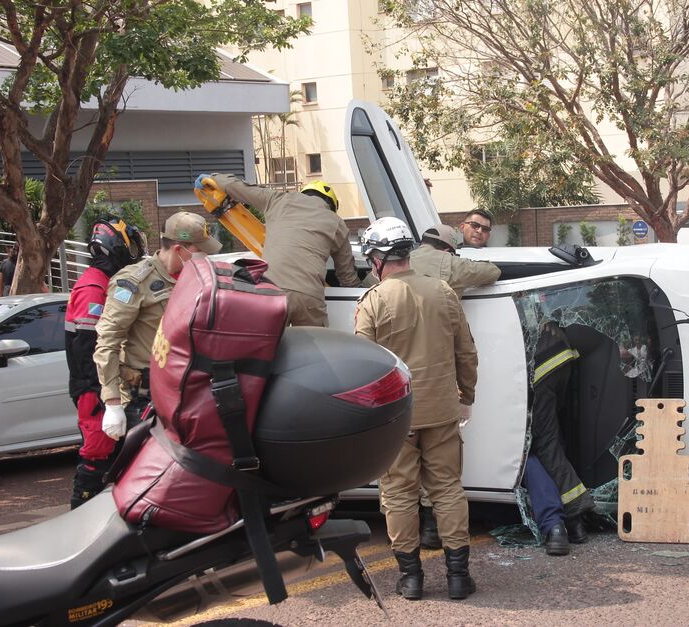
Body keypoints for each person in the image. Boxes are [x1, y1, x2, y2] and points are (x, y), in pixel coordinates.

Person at [354, 217, 479, 601]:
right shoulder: (443, 292)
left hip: (395, 418)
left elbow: (363, 366)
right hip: (442, 410)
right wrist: (467, 396)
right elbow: (466, 352)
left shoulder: (373, 301)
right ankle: (458, 577)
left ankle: (411, 579)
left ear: (377, 258)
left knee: (398, 494)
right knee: (447, 490)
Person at [408, 224, 499, 549]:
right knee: (442, 463)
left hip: (401, 378)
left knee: (404, 465)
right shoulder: (451, 266)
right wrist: (468, 395)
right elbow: (492, 272)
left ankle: (411, 550)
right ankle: (440, 534)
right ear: (448, 248)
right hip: (439, 376)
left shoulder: (400, 264)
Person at [94, 212, 221, 442]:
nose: (204, 257)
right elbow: (107, 341)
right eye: (199, 251)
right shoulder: (134, 282)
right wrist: (112, 402)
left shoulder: (198, 278)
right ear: (179, 249)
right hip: (145, 397)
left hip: (187, 392)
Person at [204, 174, 362, 326]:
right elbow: (347, 277)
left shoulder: (277, 199)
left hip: (271, 291)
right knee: (313, 350)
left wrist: (212, 178)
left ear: (304, 193)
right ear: (331, 206)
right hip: (308, 297)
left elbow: (235, 186)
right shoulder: (336, 222)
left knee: (268, 348)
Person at [65, 217, 146, 508]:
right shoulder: (93, 288)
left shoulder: (103, 283)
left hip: (100, 385)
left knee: (116, 455)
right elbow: (89, 349)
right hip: (92, 386)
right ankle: (80, 509)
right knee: (98, 451)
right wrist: (106, 394)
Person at [529, 320, 597, 546]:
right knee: (553, 439)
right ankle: (575, 526)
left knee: (544, 445)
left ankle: (576, 513)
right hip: (560, 355)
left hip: (542, 367)